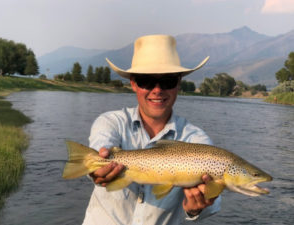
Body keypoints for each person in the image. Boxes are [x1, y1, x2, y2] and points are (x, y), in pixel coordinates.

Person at [83, 34, 221, 225]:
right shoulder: (110, 122)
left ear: (178, 84)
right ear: (133, 83)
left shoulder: (197, 140)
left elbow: (214, 201)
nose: (157, 90)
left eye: (168, 81)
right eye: (146, 81)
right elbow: (102, 147)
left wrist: (196, 208)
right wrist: (97, 168)